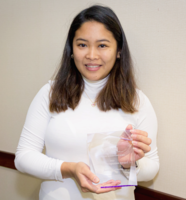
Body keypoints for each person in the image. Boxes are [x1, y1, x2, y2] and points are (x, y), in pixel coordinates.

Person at [15, 5, 159, 200]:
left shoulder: (137, 100)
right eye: (82, 45)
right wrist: (69, 169)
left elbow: (152, 167)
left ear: (118, 51)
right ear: (71, 50)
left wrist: (128, 164)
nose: (91, 55)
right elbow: (23, 157)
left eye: (102, 45)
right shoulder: (50, 93)